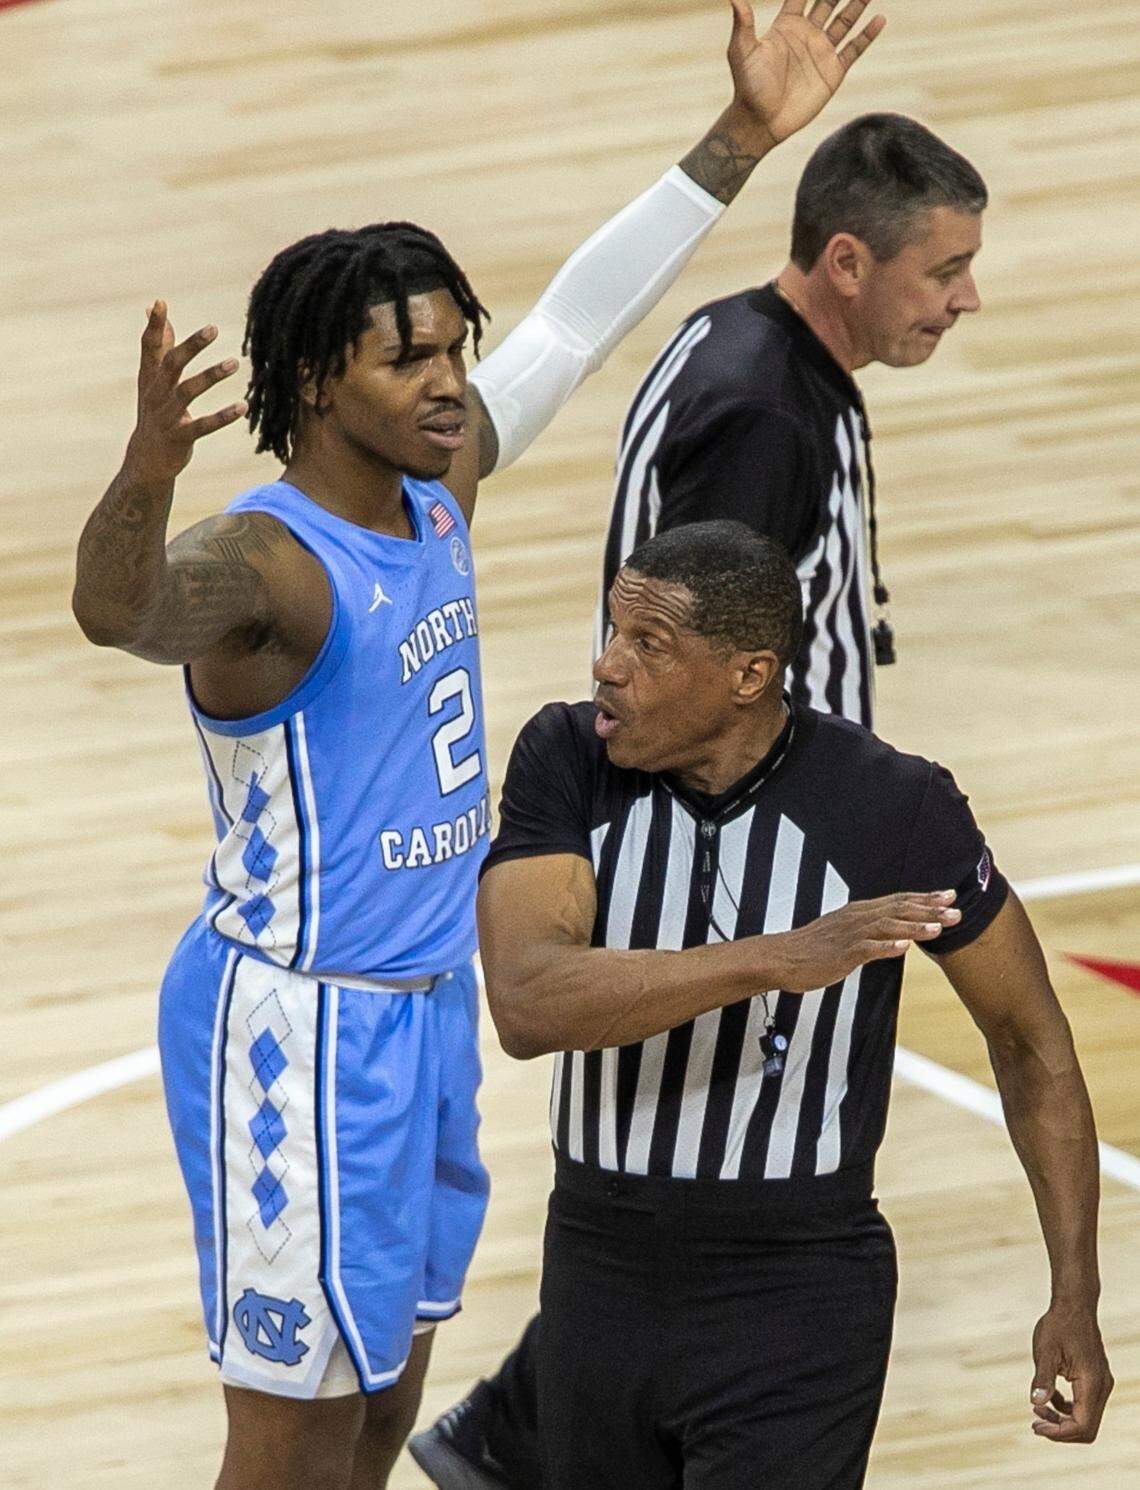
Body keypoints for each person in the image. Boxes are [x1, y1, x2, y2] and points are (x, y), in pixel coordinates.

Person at [69, 4, 888, 1487]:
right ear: (320, 384)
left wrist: (743, 142)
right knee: (294, 1437)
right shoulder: (271, 566)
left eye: (456, 349)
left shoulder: (441, 487)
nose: (449, 381)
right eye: (409, 360)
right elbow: (117, 613)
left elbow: (578, 319)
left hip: (425, 1012)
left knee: (384, 1407)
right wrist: (141, 470)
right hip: (299, 1032)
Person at [412, 69, 987, 1490]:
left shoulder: (750, 344)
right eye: (947, 268)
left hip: (747, 819)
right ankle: (525, 1425)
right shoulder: (767, 421)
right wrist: (804, 826)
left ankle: (526, 1423)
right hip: (738, 836)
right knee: (730, 1175)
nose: (965, 298)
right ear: (848, 261)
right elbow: (703, 647)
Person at [477, 521, 1113, 1490]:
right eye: (612, 631)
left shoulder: (894, 806)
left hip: (797, 1287)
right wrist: (780, 957)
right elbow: (527, 1001)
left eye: (648, 646)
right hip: (595, 1270)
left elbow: (1031, 1041)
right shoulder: (566, 756)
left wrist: (1075, 1291)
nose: (607, 666)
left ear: (749, 673)